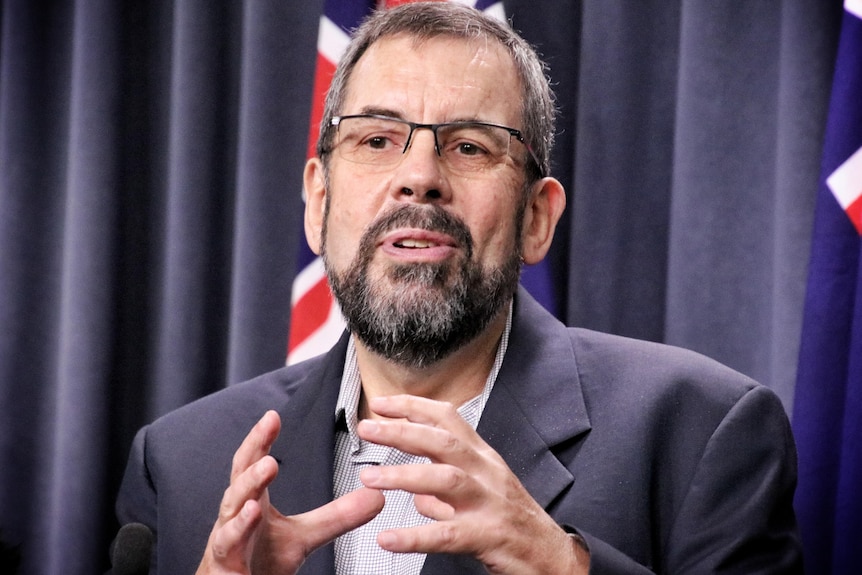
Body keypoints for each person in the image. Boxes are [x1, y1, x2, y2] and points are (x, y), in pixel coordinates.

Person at [113, 3, 803, 573]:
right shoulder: (180, 463)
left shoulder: (701, 433)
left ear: (538, 217)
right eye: (377, 139)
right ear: (317, 202)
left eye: (471, 145)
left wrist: (563, 566)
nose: (419, 176)